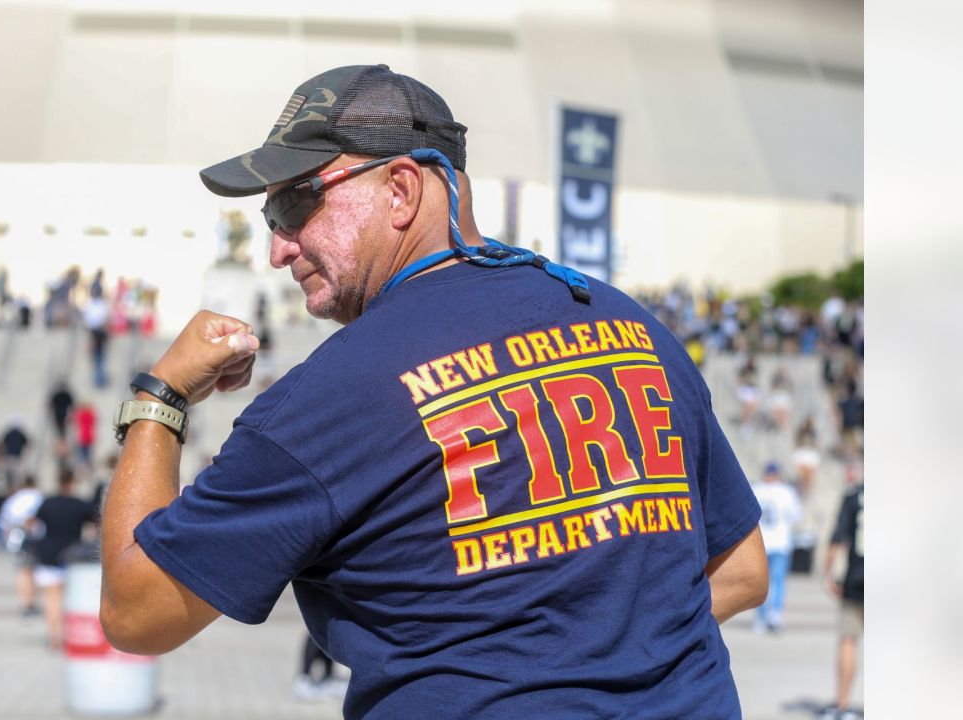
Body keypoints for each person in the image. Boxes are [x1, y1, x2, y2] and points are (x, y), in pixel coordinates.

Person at [97, 64, 767, 718]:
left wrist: (162, 397)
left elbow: (136, 613)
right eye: (270, 215)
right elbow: (740, 571)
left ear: (402, 189)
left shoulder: (332, 396)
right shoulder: (629, 325)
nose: (278, 248)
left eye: (296, 202)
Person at [29, 469, 97, 649]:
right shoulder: (80, 504)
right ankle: (68, 633)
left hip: (48, 553)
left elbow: (32, 523)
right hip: (73, 555)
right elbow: (96, 523)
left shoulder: (48, 503)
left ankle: (54, 636)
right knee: (70, 598)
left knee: (52, 598)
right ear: (72, 482)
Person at [819, 478, 864, 720]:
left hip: (857, 578)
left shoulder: (854, 495)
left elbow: (838, 538)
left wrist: (827, 573)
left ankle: (843, 705)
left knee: (849, 641)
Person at [750, 462, 801, 633]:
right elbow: (794, 516)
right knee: (776, 580)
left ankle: (764, 616)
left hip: (764, 542)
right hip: (778, 542)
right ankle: (773, 613)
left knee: (764, 581)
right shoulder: (786, 492)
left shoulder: (756, 489)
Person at [0, 475, 44, 616]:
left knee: (22, 572)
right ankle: (30, 602)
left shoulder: (14, 499)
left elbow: (4, 520)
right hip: (33, 538)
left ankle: (25, 602)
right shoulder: (37, 496)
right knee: (31, 572)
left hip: (15, 537)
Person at [83, 292, 111, 388]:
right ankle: (99, 381)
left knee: (99, 364)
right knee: (98, 364)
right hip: (98, 348)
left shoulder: (98, 330)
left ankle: (99, 381)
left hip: (99, 349)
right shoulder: (97, 330)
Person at [73, 402, 97, 468]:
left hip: (83, 436)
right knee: (87, 452)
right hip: (88, 436)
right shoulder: (90, 414)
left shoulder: (82, 414)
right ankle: (88, 465)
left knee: (83, 453)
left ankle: (85, 465)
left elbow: (76, 422)